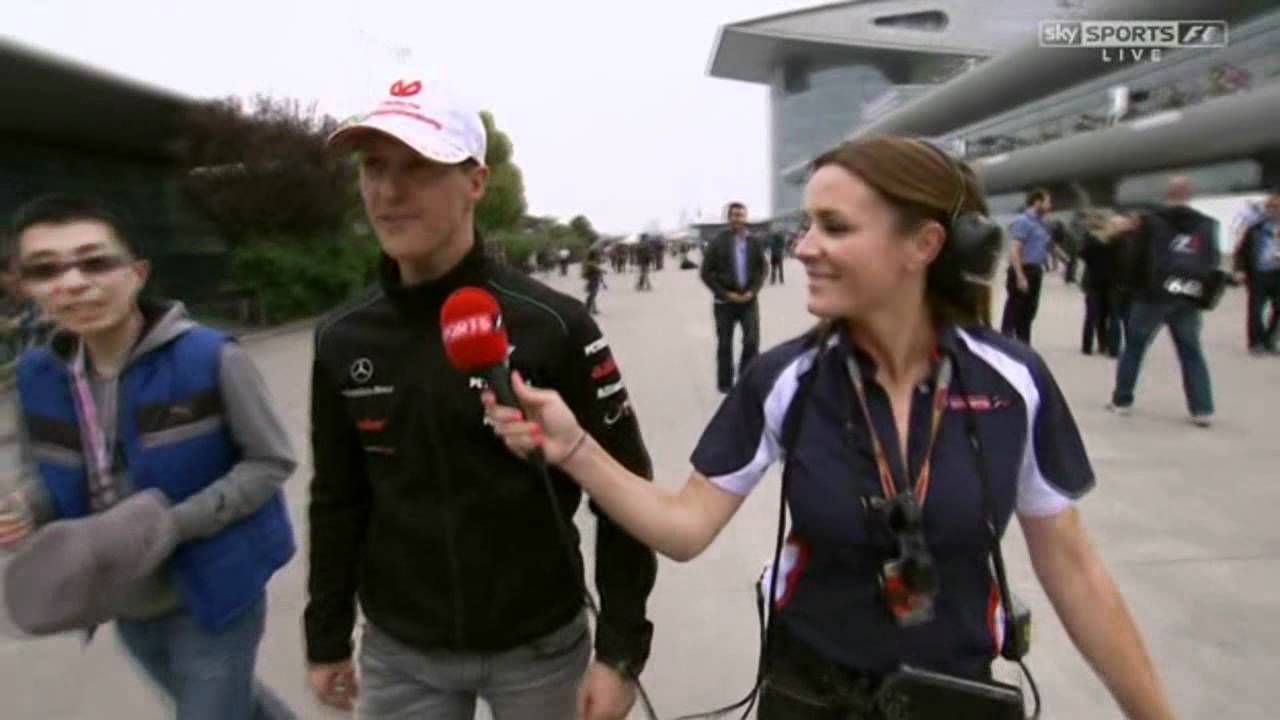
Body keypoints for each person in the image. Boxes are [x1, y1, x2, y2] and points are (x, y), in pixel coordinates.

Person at [484, 137, 1175, 720]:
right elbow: (684, 529)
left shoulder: (1012, 382)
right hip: (809, 697)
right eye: (809, 223)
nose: (805, 246)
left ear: (924, 245)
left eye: (835, 227)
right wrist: (573, 448)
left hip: (955, 701)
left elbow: (1075, 570)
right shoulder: (785, 380)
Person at [304, 77, 658, 720]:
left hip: (541, 646)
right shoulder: (341, 337)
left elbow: (626, 488)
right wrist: (324, 636)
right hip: (399, 650)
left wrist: (621, 650)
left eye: (418, 167)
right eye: (374, 167)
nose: (387, 191)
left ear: (476, 181)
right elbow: (337, 498)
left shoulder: (554, 325)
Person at [0, 193, 297, 720]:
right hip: (121, 595)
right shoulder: (35, 377)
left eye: (94, 261)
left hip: (216, 588)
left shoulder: (211, 357)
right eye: (45, 270)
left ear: (136, 273)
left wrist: (173, 524)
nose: (71, 283)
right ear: (25, 288)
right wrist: (25, 508)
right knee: (225, 705)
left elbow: (270, 463)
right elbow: (39, 471)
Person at [1108, 176, 1219, 427]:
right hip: (1187, 295)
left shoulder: (1151, 222)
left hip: (1152, 296)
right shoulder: (1206, 225)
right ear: (1188, 194)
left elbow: (1135, 258)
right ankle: (1202, 409)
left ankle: (1122, 400)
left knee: (1134, 348)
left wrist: (1130, 288)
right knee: (1191, 352)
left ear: (1167, 194)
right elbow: (1211, 261)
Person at [700, 202, 766, 393]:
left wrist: (753, 291)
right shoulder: (718, 242)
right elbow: (706, 273)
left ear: (746, 217)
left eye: (741, 215)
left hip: (748, 300)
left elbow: (762, 269)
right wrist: (724, 293)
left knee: (752, 341)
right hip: (724, 303)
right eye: (734, 215)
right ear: (729, 218)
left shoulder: (754, 242)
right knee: (725, 344)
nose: (738, 219)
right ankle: (725, 383)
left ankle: (747, 378)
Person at [1000, 188, 1053, 345]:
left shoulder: (1041, 223)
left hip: (1035, 270)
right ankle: (1006, 343)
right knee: (1015, 310)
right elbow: (1015, 249)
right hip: (1023, 269)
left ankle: (1023, 344)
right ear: (1037, 202)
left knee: (1029, 312)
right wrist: (1020, 275)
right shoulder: (1023, 221)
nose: (1050, 206)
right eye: (1047, 202)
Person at [1233, 190, 1280, 355]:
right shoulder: (1255, 229)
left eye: (1277, 207)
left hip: (1277, 273)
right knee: (1256, 310)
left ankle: (1269, 340)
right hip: (1258, 274)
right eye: (1271, 207)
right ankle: (1255, 342)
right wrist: (1239, 270)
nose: (1274, 210)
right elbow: (1241, 250)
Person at [1079, 210, 1123, 357]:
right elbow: (1123, 260)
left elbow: (1083, 255)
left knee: (1093, 315)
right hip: (1113, 282)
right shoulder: (1117, 239)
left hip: (1094, 281)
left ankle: (1088, 346)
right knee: (1113, 316)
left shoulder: (1089, 239)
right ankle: (1112, 348)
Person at [584, 248, 606, 315]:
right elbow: (598, 269)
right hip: (592, 280)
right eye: (596, 254)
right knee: (592, 294)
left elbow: (599, 270)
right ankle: (587, 308)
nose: (598, 256)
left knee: (593, 294)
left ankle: (592, 309)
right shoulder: (590, 263)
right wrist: (602, 271)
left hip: (594, 280)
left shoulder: (591, 262)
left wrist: (603, 282)